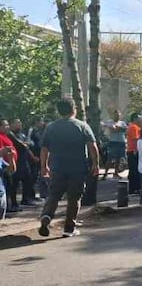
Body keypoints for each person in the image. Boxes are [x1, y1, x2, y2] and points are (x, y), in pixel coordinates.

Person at [38, 98, 99, 238]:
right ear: (74, 109)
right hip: (77, 168)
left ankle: (46, 215)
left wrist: (44, 166)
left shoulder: (51, 127)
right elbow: (92, 146)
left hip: (57, 167)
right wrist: (95, 164)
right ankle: (69, 228)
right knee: (74, 198)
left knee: (54, 194)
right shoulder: (82, 126)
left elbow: (44, 149)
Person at [8, 119, 37, 209]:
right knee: (14, 183)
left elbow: (30, 144)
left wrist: (31, 155)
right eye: (17, 123)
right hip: (16, 161)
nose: (19, 125)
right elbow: (21, 145)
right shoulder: (10, 135)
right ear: (11, 125)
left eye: (20, 123)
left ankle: (26, 199)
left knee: (28, 180)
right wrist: (25, 144)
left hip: (24, 162)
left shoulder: (22, 134)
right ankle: (13, 203)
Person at [101, 110, 127, 179]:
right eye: (115, 115)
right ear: (113, 115)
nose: (117, 116)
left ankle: (116, 173)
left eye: (118, 115)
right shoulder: (110, 122)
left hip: (121, 142)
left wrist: (116, 128)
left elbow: (124, 129)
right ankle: (105, 174)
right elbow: (113, 129)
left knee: (118, 158)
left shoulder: (122, 123)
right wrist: (116, 128)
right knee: (110, 158)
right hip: (113, 142)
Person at [125, 113, 142, 194]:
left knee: (134, 170)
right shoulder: (133, 127)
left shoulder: (135, 127)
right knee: (134, 170)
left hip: (132, 150)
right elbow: (135, 139)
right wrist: (136, 150)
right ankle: (134, 188)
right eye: (139, 118)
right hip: (133, 151)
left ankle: (134, 188)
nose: (140, 120)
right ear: (135, 118)